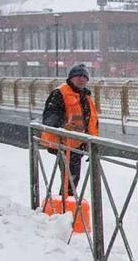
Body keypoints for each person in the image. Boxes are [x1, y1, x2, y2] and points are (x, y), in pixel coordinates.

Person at [40, 63, 99, 197]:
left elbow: (89, 121)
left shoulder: (84, 96)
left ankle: (67, 204)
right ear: (71, 78)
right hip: (63, 142)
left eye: (85, 77)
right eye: (78, 76)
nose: (82, 79)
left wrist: (90, 142)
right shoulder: (60, 93)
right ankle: (66, 206)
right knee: (70, 177)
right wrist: (62, 125)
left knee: (72, 177)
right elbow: (49, 117)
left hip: (77, 143)